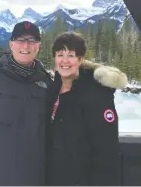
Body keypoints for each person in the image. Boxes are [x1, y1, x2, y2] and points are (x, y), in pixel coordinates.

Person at [0, 21, 127, 186]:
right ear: (11, 44)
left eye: (32, 41)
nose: (26, 46)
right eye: (20, 40)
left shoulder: (47, 84)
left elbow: (100, 147)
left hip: (38, 180)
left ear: (38, 46)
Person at [45, 32, 127, 186]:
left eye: (71, 55)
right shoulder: (52, 89)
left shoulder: (96, 94)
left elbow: (106, 151)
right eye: (60, 54)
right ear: (54, 58)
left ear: (80, 59)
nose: (65, 60)